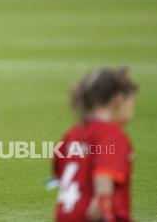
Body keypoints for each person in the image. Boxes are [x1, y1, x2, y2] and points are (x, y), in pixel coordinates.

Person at [54, 67, 137, 221]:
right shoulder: (111, 134)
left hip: (66, 215)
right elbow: (104, 171)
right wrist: (102, 199)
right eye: (131, 105)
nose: (132, 112)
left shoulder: (73, 134)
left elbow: (60, 171)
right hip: (94, 216)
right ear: (119, 100)